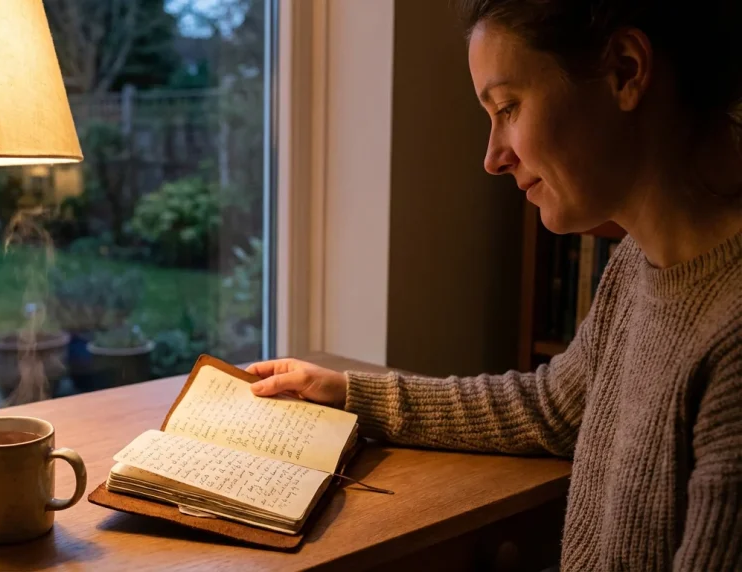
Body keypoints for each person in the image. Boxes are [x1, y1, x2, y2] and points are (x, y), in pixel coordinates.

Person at [246, 1, 742, 570]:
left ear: (625, 71)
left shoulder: (730, 338)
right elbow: (555, 406)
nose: (492, 158)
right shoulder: (640, 262)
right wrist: (349, 393)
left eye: (507, 106)